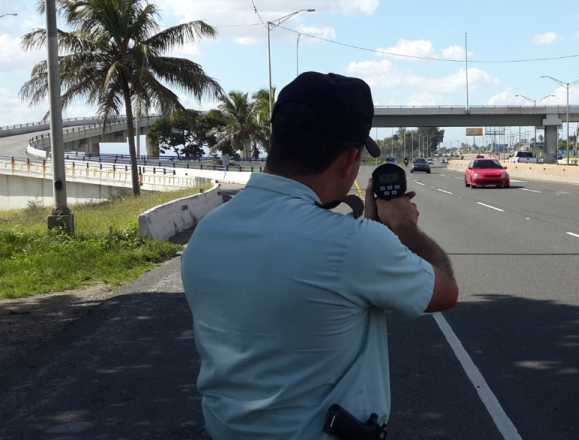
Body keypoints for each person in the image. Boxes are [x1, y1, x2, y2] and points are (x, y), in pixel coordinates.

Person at [181, 72, 459, 439]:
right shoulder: (353, 244)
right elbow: (444, 292)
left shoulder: (207, 231)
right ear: (349, 161)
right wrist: (404, 230)